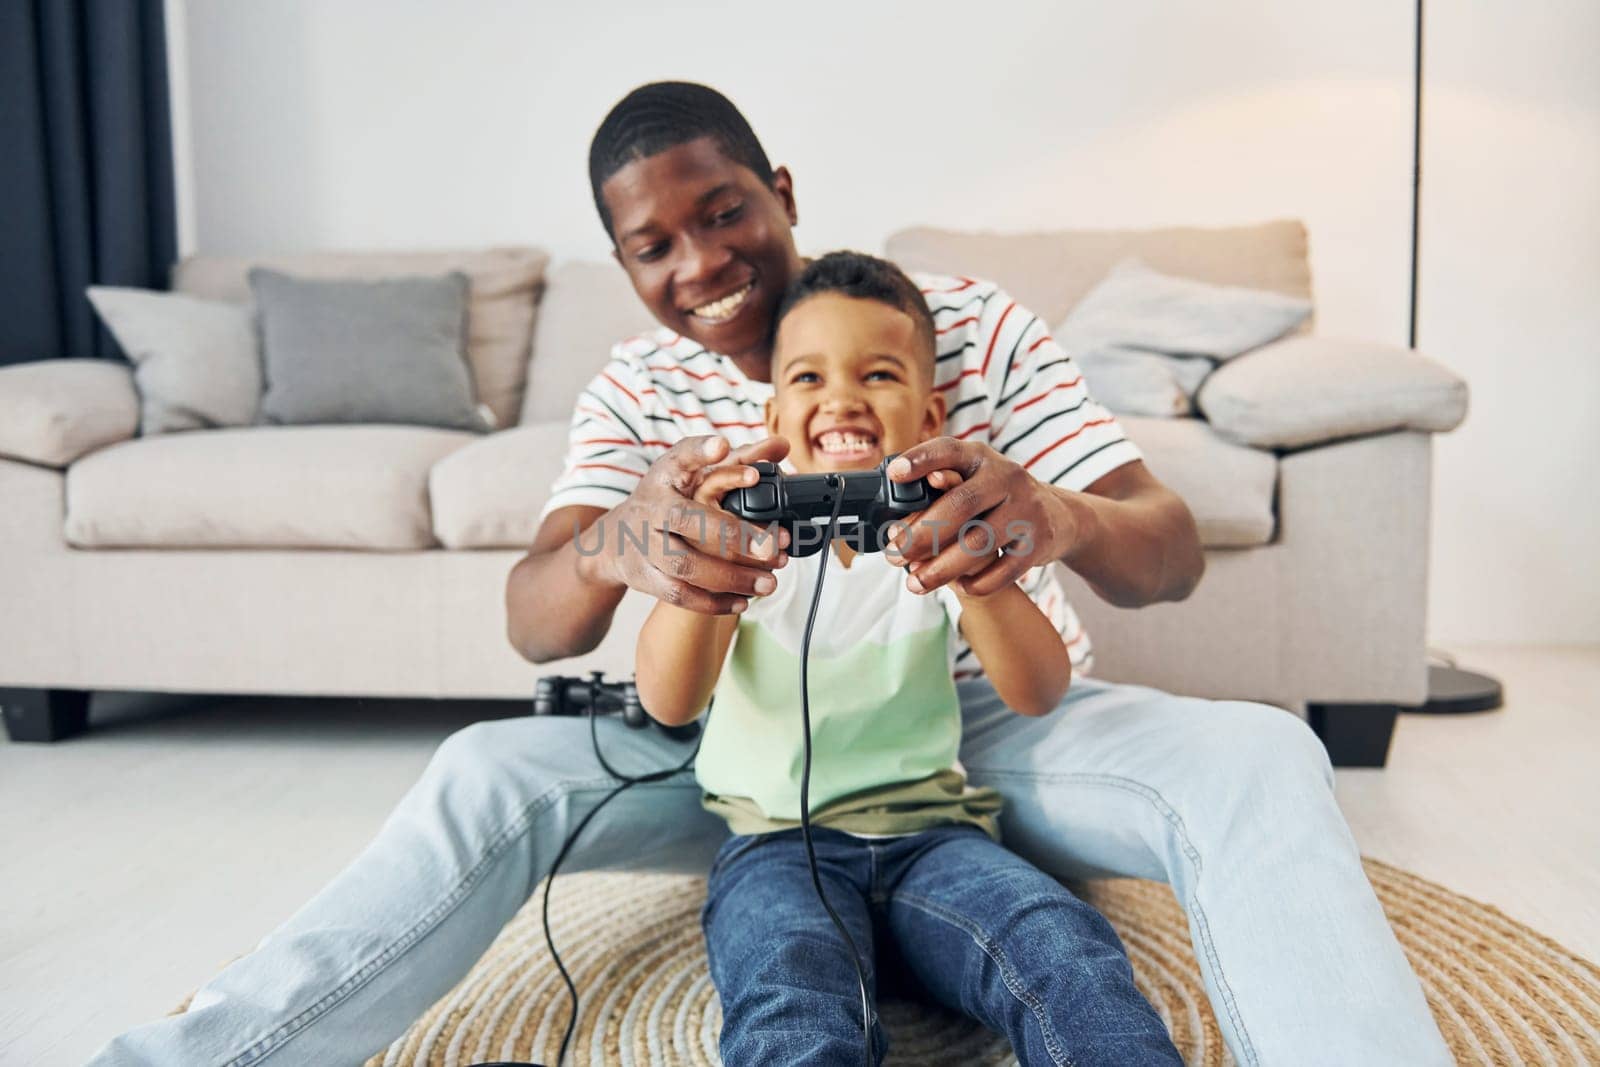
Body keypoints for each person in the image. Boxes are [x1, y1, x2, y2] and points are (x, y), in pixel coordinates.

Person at [90, 82, 1449, 1066]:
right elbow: (533, 610)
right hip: (734, 756)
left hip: (980, 735)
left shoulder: (966, 324)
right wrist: (643, 542)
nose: (703, 265)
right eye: (654, 246)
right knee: (479, 771)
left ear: (781, 191)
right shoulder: (636, 388)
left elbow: (1170, 549)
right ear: (622, 266)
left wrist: (1049, 518)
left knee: (1265, 753)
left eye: (725, 211)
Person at [638, 249, 1185, 1065]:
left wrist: (979, 570)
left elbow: (1037, 690)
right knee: (791, 994)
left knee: (1060, 946)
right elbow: (670, 701)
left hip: (935, 836)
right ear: (774, 414)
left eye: (879, 374)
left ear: (930, 419)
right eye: (809, 379)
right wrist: (701, 570)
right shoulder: (745, 549)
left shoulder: (933, 540)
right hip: (778, 846)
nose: (842, 398)